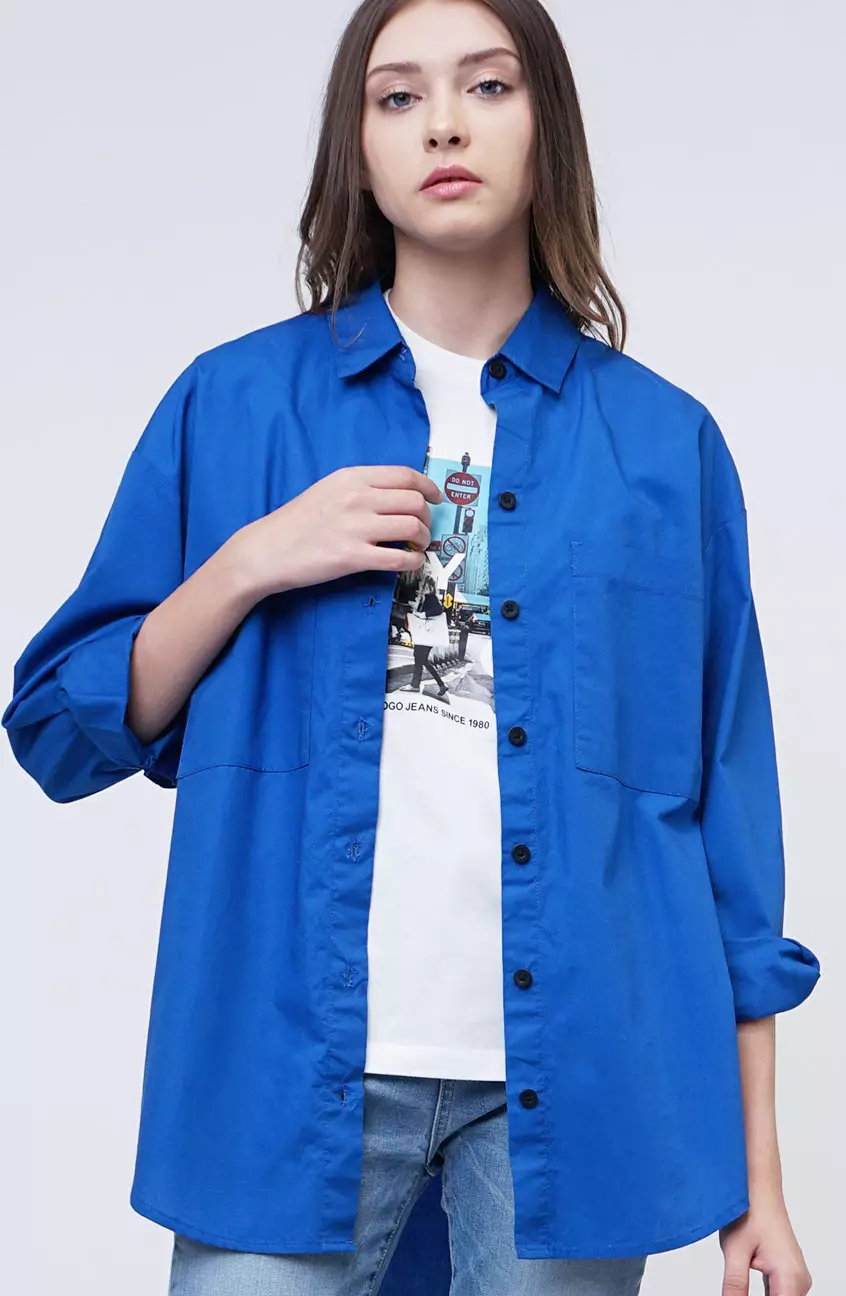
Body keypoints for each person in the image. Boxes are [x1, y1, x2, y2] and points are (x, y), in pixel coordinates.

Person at [1, 1, 821, 1294]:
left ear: (546, 126)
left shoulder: (667, 448)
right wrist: (248, 562)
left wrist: (759, 1181)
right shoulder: (237, 404)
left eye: (486, 86)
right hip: (283, 1075)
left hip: (577, 1098)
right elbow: (61, 727)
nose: (443, 123)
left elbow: (727, 828)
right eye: (398, 96)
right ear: (359, 147)